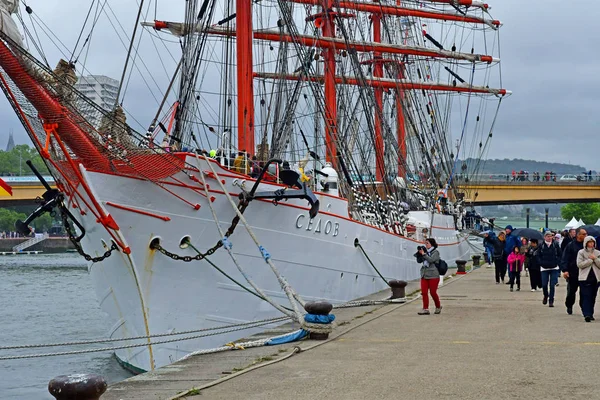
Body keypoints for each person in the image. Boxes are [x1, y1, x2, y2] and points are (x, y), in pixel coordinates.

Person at [561, 227, 587, 315]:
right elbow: (565, 258)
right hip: (573, 272)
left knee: (584, 292)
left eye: (586, 234)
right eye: (584, 234)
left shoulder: (587, 246)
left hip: (584, 273)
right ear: (578, 235)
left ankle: (584, 308)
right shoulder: (570, 245)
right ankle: (569, 305)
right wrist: (565, 270)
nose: (585, 236)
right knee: (571, 292)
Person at [415, 238, 442, 315]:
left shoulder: (435, 252)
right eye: (425, 243)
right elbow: (419, 261)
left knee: (433, 292)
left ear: (432, 244)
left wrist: (424, 254)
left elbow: (431, 260)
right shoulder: (425, 252)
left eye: (427, 243)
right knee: (424, 292)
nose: (426, 245)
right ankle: (425, 309)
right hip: (424, 274)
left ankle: (438, 306)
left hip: (433, 275)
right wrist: (419, 254)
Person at [576, 236, 600, 322]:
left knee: (593, 296)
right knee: (586, 296)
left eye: (592, 242)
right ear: (586, 243)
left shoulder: (597, 253)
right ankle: (587, 314)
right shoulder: (581, 252)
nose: (591, 244)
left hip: (595, 278)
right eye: (589, 242)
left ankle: (591, 313)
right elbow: (579, 264)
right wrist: (589, 261)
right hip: (584, 278)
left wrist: (595, 259)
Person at [538, 231, 562, 307]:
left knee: (552, 285)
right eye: (548, 236)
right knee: (544, 284)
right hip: (544, 268)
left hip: (554, 267)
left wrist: (557, 261)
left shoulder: (555, 244)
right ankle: (545, 295)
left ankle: (551, 300)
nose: (549, 238)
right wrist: (541, 262)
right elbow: (538, 255)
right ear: (544, 237)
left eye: (551, 236)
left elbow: (560, 254)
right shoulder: (541, 245)